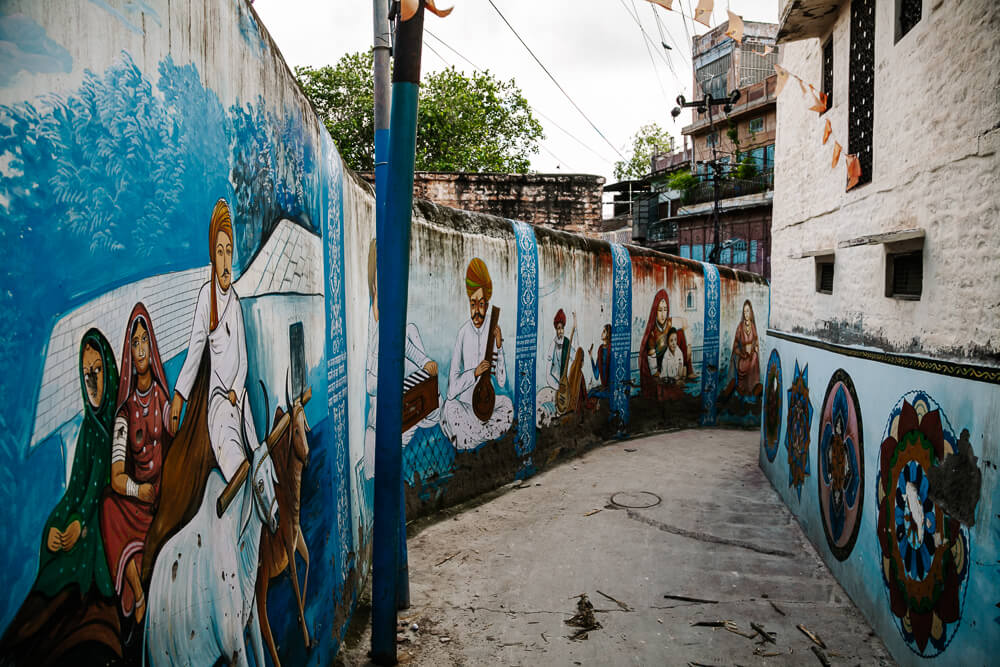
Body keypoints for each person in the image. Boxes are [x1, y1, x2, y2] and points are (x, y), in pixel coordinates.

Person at [0, 330, 122, 662]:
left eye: (98, 371)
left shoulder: (117, 424)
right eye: (87, 375)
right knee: (44, 593)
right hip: (80, 529)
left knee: (66, 594)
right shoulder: (87, 430)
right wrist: (54, 527)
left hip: (101, 531)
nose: (93, 382)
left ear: (109, 371)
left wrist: (80, 524)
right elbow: (75, 490)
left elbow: (102, 490)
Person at [169, 198, 258, 482]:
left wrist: (236, 389)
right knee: (237, 471)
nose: (225, 262)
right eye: (219, 252)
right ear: (212, 257)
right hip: (219, 405)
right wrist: (179, 398)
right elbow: (195, 352)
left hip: (238, 400)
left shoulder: (235, 303)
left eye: (229, 252)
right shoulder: (206, 299)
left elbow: (243, 360)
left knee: (260, 462)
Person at [100, 303, 170, 625]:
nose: (141, 348)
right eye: (135, 342)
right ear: (130, 351)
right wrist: (137, 489)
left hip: (164, 494)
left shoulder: (161, 398)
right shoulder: (124, 414)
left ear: (151, 346)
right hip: (137, 501)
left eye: (145, 341)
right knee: (108, 508)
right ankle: (139, 595)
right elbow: (116, 477)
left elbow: (174, 428)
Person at [363, 239, 440, 481]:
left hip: (396, 408)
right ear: (374, 281)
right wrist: (389, 381)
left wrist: (425, 362)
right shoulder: (367, 322)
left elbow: (405, 345)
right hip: (377, 418)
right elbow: (368, 382)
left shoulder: (388, 317)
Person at [440, 258, 513, 450]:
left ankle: (474, 439)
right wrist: (474, 373)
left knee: (507, 406)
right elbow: (451, 390)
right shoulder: (463, 334)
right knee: (448, 408)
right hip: (466, 410)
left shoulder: (493, 327)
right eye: (473, 304)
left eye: (481, 305)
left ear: (487, 305)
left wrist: (500, 346)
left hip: (488, 408)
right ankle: (482, 439)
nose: (477, 312)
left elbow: (502, 382)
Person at [639, 289, 693, 399]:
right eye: (659, 310)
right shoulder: (653, 334)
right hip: (660, 365)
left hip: (671, 356)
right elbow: (654, 370)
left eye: (665, 309)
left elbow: (685, 323)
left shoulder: (669, 322)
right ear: (655, 311)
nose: (663, 314)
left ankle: (688, 370)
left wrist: (689, 346)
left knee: (679, 333)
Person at [729, 299, 761, 397]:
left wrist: (755, 348)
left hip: (751, 357)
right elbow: (735, 346)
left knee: (755, 357)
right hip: (743, 359)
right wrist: (742, 353)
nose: (746, 314)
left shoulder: (753, 327)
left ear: (751, 312)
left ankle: (752, 389)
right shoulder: (740, 327)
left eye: (747, 311)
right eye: (744, 312)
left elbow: (756, 342)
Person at [588, 324, 612, 398]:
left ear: (608, 334)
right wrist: (591, 357)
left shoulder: (611, 349)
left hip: (611, 388)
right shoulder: (600, 349)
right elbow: (596, 375)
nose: (602, 333)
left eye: (604, 331)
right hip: (604, 387)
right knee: (590, 392)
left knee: (592, 394)